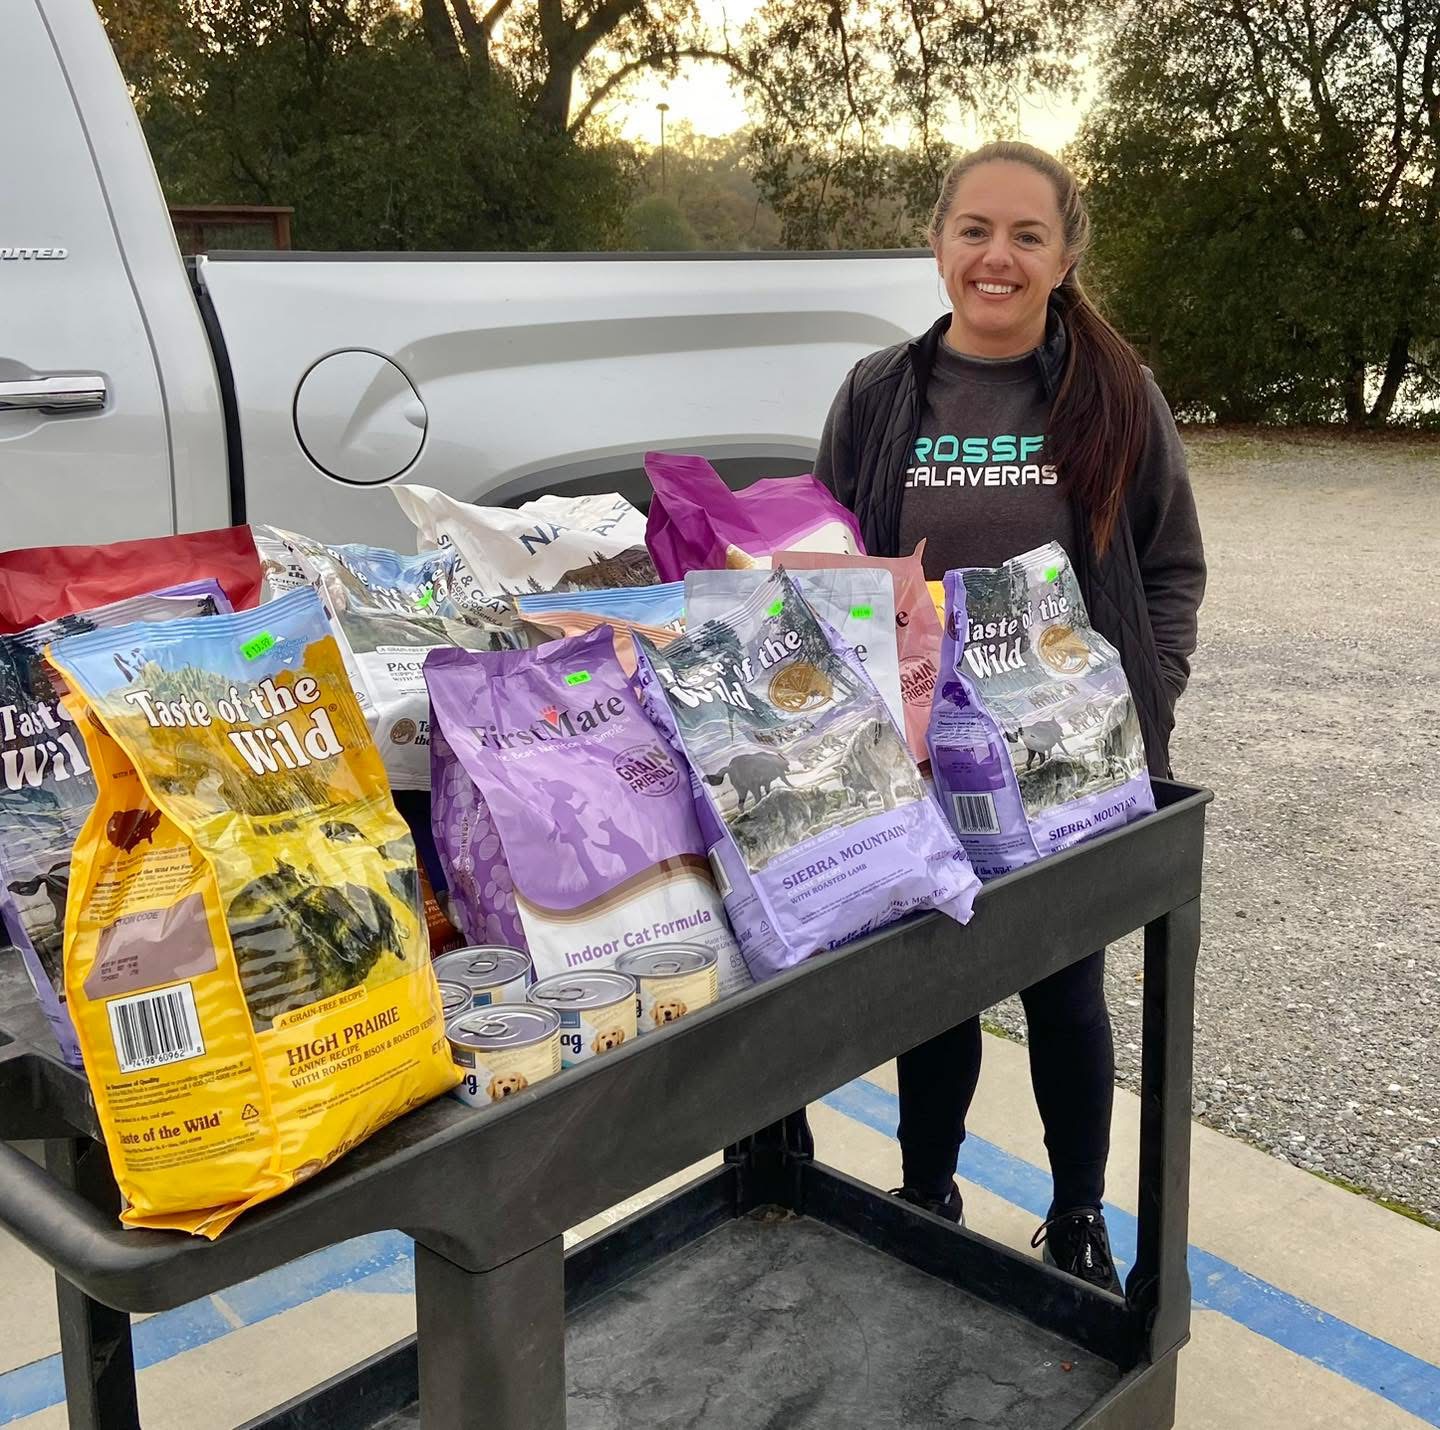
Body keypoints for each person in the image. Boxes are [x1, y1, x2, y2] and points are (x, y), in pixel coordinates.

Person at [813, 141, 1206, 1293]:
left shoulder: (1114, 393)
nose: (998, 256)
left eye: (1027, 234)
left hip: (1067, 760)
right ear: (939, 244)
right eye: (975, 230)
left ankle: (1077, 1214)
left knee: (1065, 987)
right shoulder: (879, 392)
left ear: (1065, 254)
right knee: (930, 980)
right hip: (918, 754)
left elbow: (1170, 565)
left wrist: (1142, 697)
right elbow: (827, 558)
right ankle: (926, 1190)